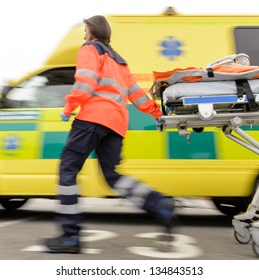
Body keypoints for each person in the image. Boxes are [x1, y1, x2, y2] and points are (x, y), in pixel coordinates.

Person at [44, 15, 175, 254]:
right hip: (116, 124)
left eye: (85, 30)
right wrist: (155, 112)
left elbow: (85, 82)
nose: (83, 34)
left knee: (67, 170)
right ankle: (159, 204)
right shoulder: (119, 61)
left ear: (92, 32)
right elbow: (135, 94)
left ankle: (70, 236)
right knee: (112, 176)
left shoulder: (89, 49)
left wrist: (69, 107)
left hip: (92, 119)